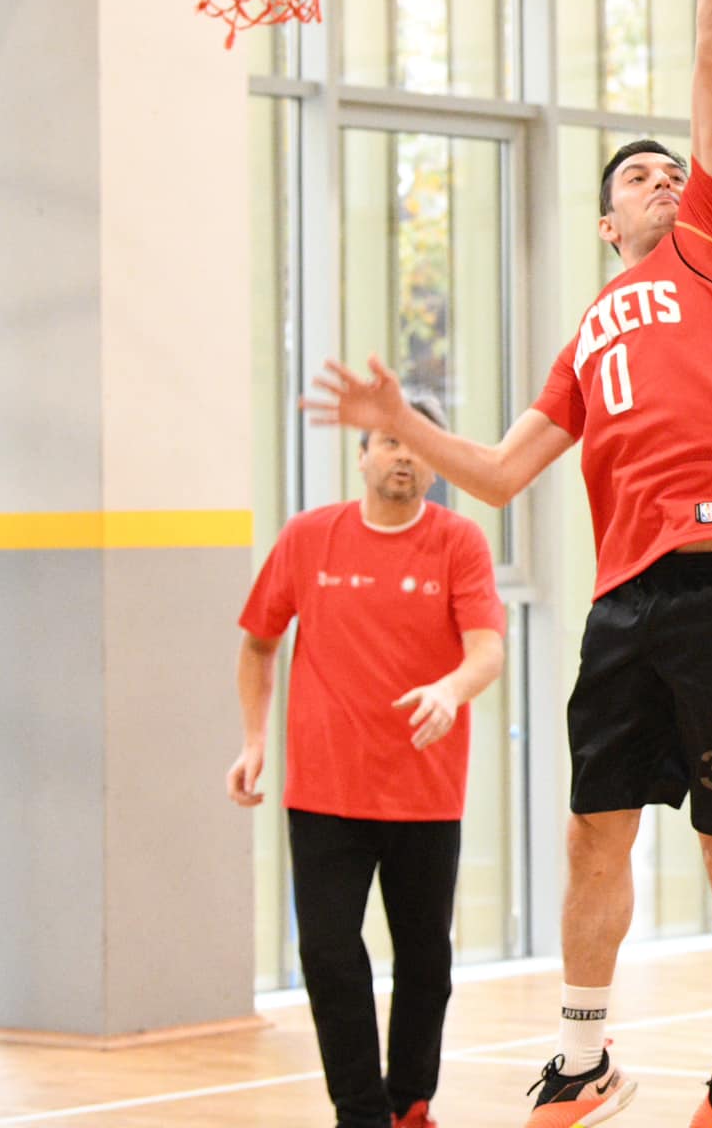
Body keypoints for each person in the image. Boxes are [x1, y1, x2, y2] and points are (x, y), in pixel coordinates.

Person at [302, 0, 712, 1128]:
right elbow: (500, 474)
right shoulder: (588, 330)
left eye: (670, 171)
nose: (662, 179)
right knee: (593, 831)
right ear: (604, 220)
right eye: (638, 179)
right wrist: (402, 423)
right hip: (625, 601)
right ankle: (584, 1056)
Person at [227, 400, 507, 1128]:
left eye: (417, 444)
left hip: (425, 794)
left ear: (435, 464)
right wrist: (254, 740)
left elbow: (487, 649)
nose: (403, 456)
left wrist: (450, 690)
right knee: (327, 954)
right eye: (389, 442)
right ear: (362, 456)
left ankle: (409, 1103)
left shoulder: (459, 542)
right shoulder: (308, 537)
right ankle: (359, 1114)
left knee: (425, 962)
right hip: (325, 795)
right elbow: (258, 641)